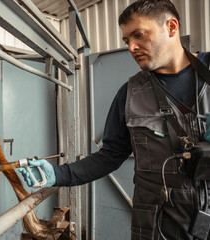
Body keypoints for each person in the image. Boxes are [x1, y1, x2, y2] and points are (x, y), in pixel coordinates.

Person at [19, 0, 210, 239]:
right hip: (156, 226)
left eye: (139, 35)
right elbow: (109, 156)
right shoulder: (130, 93)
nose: (131, 47)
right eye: (127, 40)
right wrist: (58, 175)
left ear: (171, 27)